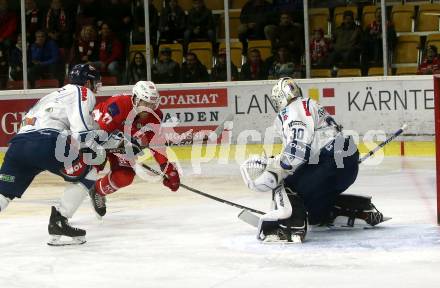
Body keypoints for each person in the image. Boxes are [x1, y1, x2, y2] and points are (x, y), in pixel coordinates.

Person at [240, 77, 387, 243]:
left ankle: (289, 225)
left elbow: (298, 148)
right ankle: (345, 212)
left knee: (287, 183)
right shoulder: (309, 104)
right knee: (311, 207)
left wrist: (276, 170)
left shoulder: (292, 110)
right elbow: (309, 149)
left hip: (330, 160)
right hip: (346, 163)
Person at [0, 64, 102, 246]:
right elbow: (82, 132)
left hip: (18, 146)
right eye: (94, 83)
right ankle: (59, 220)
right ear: (87, 82)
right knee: (90, 170)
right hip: (46, 143)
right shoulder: (83, 92)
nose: (96, 88)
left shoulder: (51, 95)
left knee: (3, 193)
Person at [86, 81, 181, 217]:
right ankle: (63, 213)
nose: (148, 108)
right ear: (135, 99)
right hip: (97, 137)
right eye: (145, 103)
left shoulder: (154, 116)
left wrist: (168, 169)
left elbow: (155, 143)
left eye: (152, 105)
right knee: (90, 169)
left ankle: (97, 190)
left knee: (125, 177)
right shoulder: (119, 105)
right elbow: (97, 134)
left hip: (121, 143)